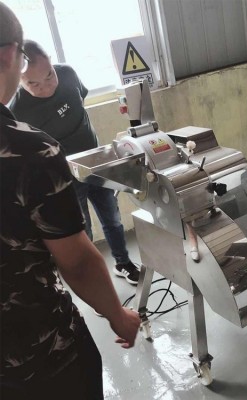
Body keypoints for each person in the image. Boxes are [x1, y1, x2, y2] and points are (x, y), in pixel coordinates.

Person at [0, 3, 141, 399]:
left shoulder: (68, 79)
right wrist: (117, 315)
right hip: (39, 354)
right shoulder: (28, 149)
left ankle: (125, 263)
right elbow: (76, 260)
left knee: (110, 218)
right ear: (10, 57)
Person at [10, 39, 139, 285]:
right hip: (64, 179)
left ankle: (123, 263)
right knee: (82, 231)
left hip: (98, 164)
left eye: (49, 76)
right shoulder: (17, 109)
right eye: (33, 84)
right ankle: (94, 281)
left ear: (52, 62)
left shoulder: (68, 74)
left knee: (112, 219)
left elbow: (81, 100)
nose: (45, 87)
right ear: (19, 79)